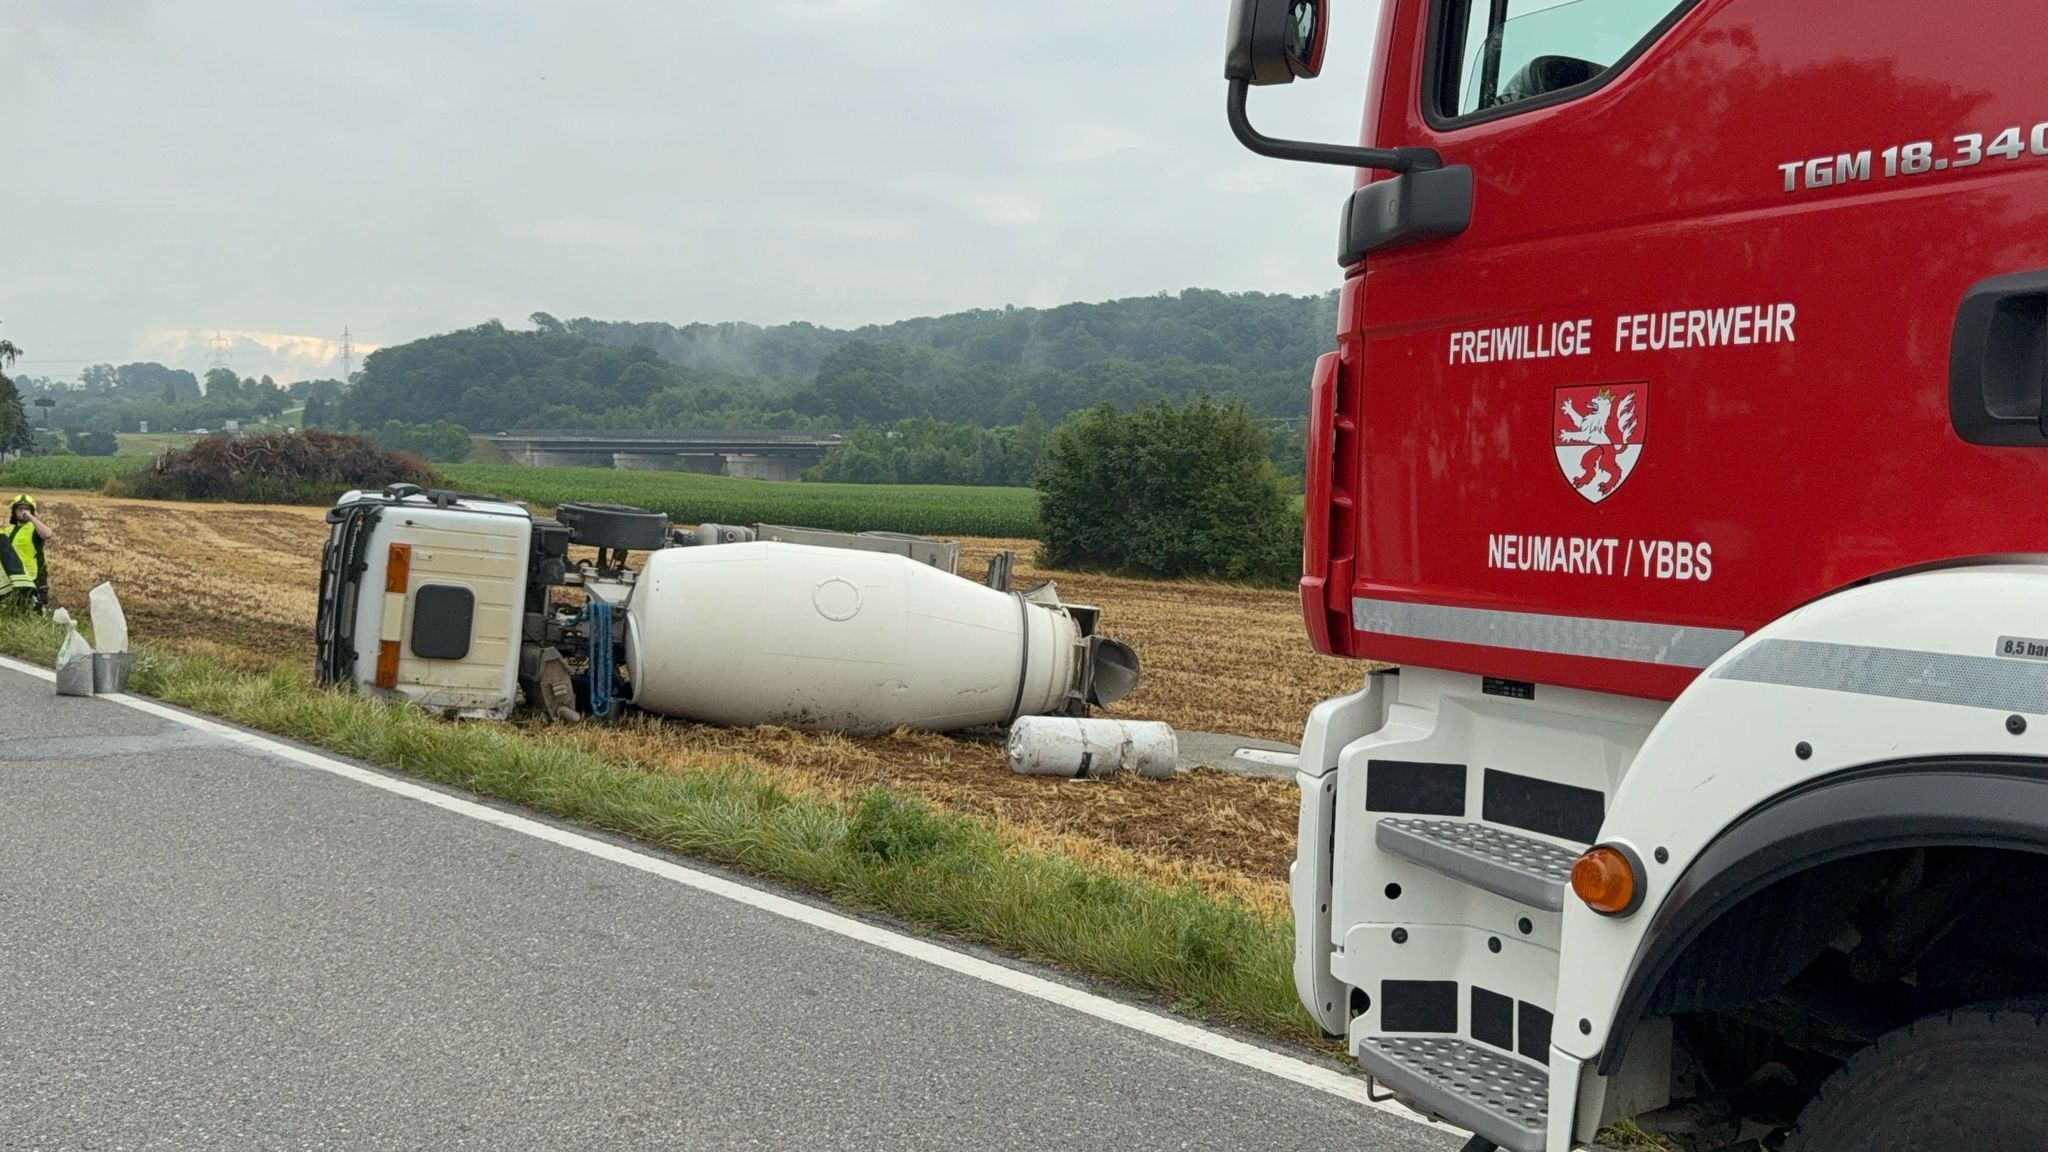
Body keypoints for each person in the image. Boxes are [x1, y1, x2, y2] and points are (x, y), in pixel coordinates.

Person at [3, 494, 52, 611]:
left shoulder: (35, 529)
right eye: (20, 509)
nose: (23, 512)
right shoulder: (8, 531)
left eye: (27, 509)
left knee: (36, 611)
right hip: (16, 577)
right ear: (14, 511)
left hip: (34, 577)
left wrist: (31, 517)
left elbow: (47, 534)